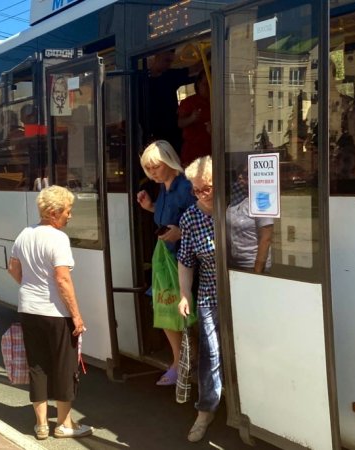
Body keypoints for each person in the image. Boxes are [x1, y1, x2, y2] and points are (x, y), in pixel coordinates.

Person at [7, 185, 92, 440]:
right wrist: (76, 315)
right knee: (65, 367)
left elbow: (13, 268)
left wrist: (30, 287)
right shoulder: (58, 239)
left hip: (29, 309)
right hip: (55, 311)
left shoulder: (25, 234)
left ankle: (42, 424)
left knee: (38, 365)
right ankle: (64, 424)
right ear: (54, 213)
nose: (70, 215)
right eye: (68, 210)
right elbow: (63, 279)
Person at [136, 140, 196, 386]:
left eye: (155, 167)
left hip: (185, 258)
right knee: (165, 307)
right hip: (166, 257)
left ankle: (184, 362)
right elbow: (168, 216)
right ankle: (179, 360)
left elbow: (201, 219)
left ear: (170, 162)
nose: (151, 173)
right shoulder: (164, 187)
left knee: (179, 310)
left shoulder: (186, 187)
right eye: (148, 168)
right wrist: (150, 207)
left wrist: (181, 233)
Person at [177, 155, 219, 443]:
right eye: (196, 190)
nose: (201, 195)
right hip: (209, 293)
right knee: (211, 354)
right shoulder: (190, 217)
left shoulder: (237, 202)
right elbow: (185, 260)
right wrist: (183, 294)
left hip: (245, 290)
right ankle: (205, 411)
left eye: (206, 188)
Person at [226, 169, 273, 273]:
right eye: (240, 173)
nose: (240, 177)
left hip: (252, 266)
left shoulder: (261, 200)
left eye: (245, 174)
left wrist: (257, 272)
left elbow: (266, 239)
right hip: (233, 264)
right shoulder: (236, 197)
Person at [147, 50, 193, 153]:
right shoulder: (140, 80)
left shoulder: (170, 76)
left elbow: (192, 70)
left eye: (171, 62)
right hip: (150, 134)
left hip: (172, 132)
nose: (168, 65)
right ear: (156, 56)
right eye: (166, 60)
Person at [177, 74, 212, 167]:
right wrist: (192, 118)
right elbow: (180, 123)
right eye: (205, 84)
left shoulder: (219, 101)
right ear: (198, 84)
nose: (209, 87)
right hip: (193, 153)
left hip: (213, 151)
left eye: (211, 83)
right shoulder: (189, 102)